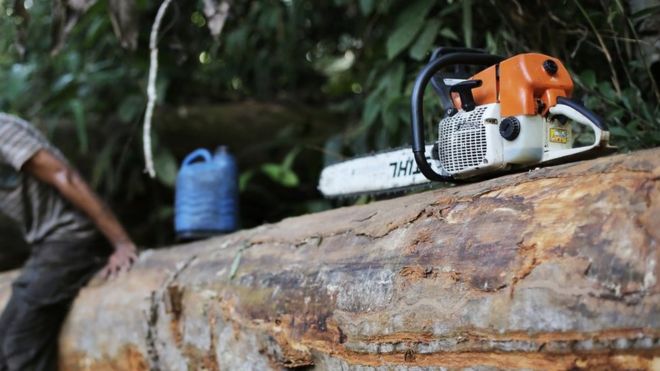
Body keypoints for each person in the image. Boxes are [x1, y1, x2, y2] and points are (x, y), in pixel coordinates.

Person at [0, 113, 138, 371]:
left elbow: (65, 176)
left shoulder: (2, 131)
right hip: (50, 246)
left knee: (21, 340)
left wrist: (121, 243)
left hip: (74, 237)